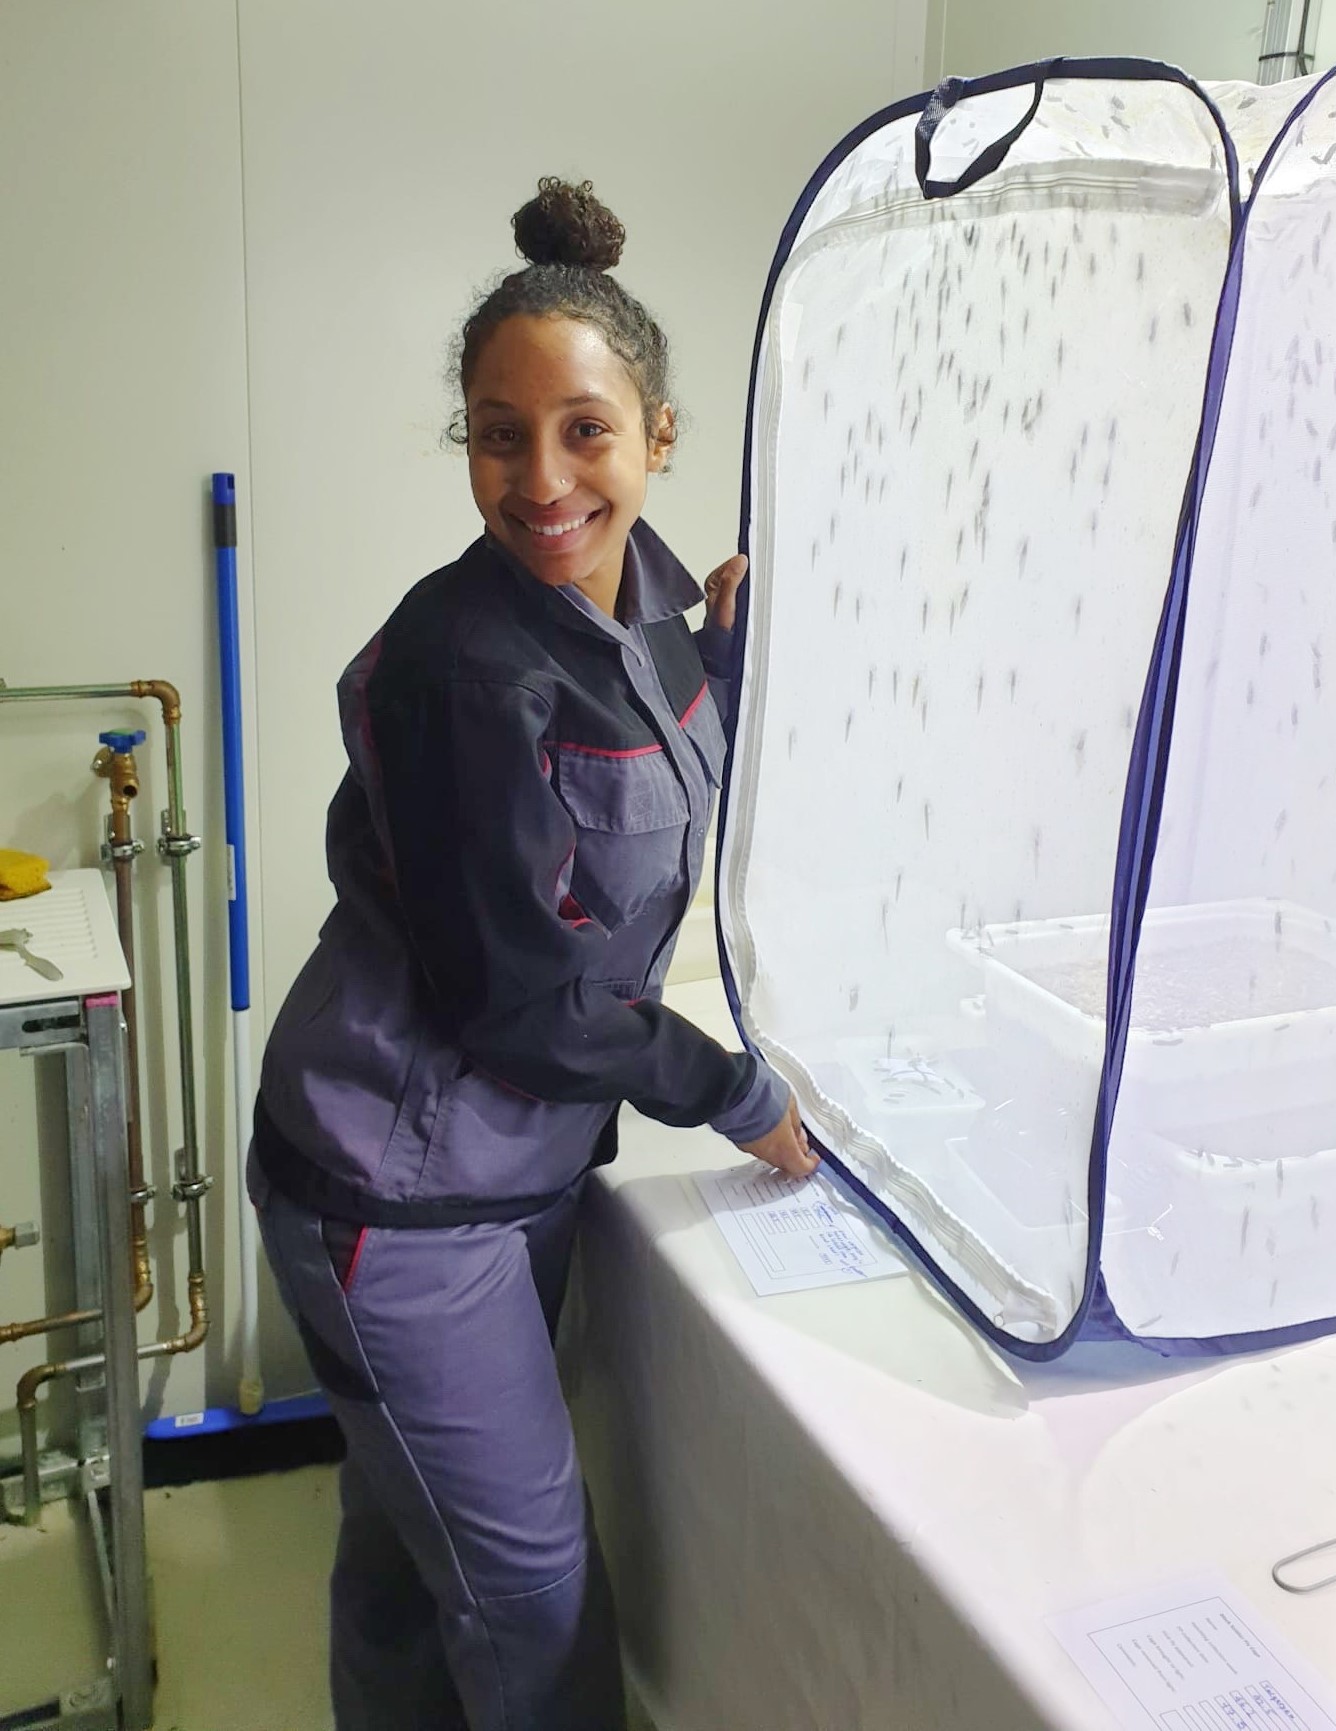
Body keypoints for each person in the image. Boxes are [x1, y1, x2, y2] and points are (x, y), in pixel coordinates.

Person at [248, 177, 817, 1731]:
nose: (543, 478)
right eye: (501, 435)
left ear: (658, 437)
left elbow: (655, 746)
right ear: (469, 446)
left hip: (513, 1170)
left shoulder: (640, 593)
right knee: (532, 1602)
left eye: (585, 430)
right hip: (398, 1188)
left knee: (401, 1545)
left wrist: (733, 653)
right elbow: (519, 997)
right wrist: (733, 1089)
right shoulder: (457, 663)